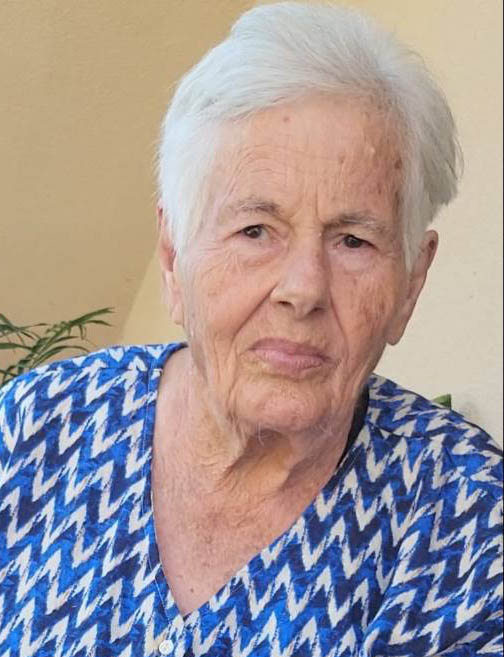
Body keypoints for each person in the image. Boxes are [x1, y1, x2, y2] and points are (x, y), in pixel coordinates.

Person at [0, 3, 502, 656]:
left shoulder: (467, 525)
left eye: (353, 240)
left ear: (411, 282)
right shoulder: (37, 428)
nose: (304, 289)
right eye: (255, 230)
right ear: (173, 257)